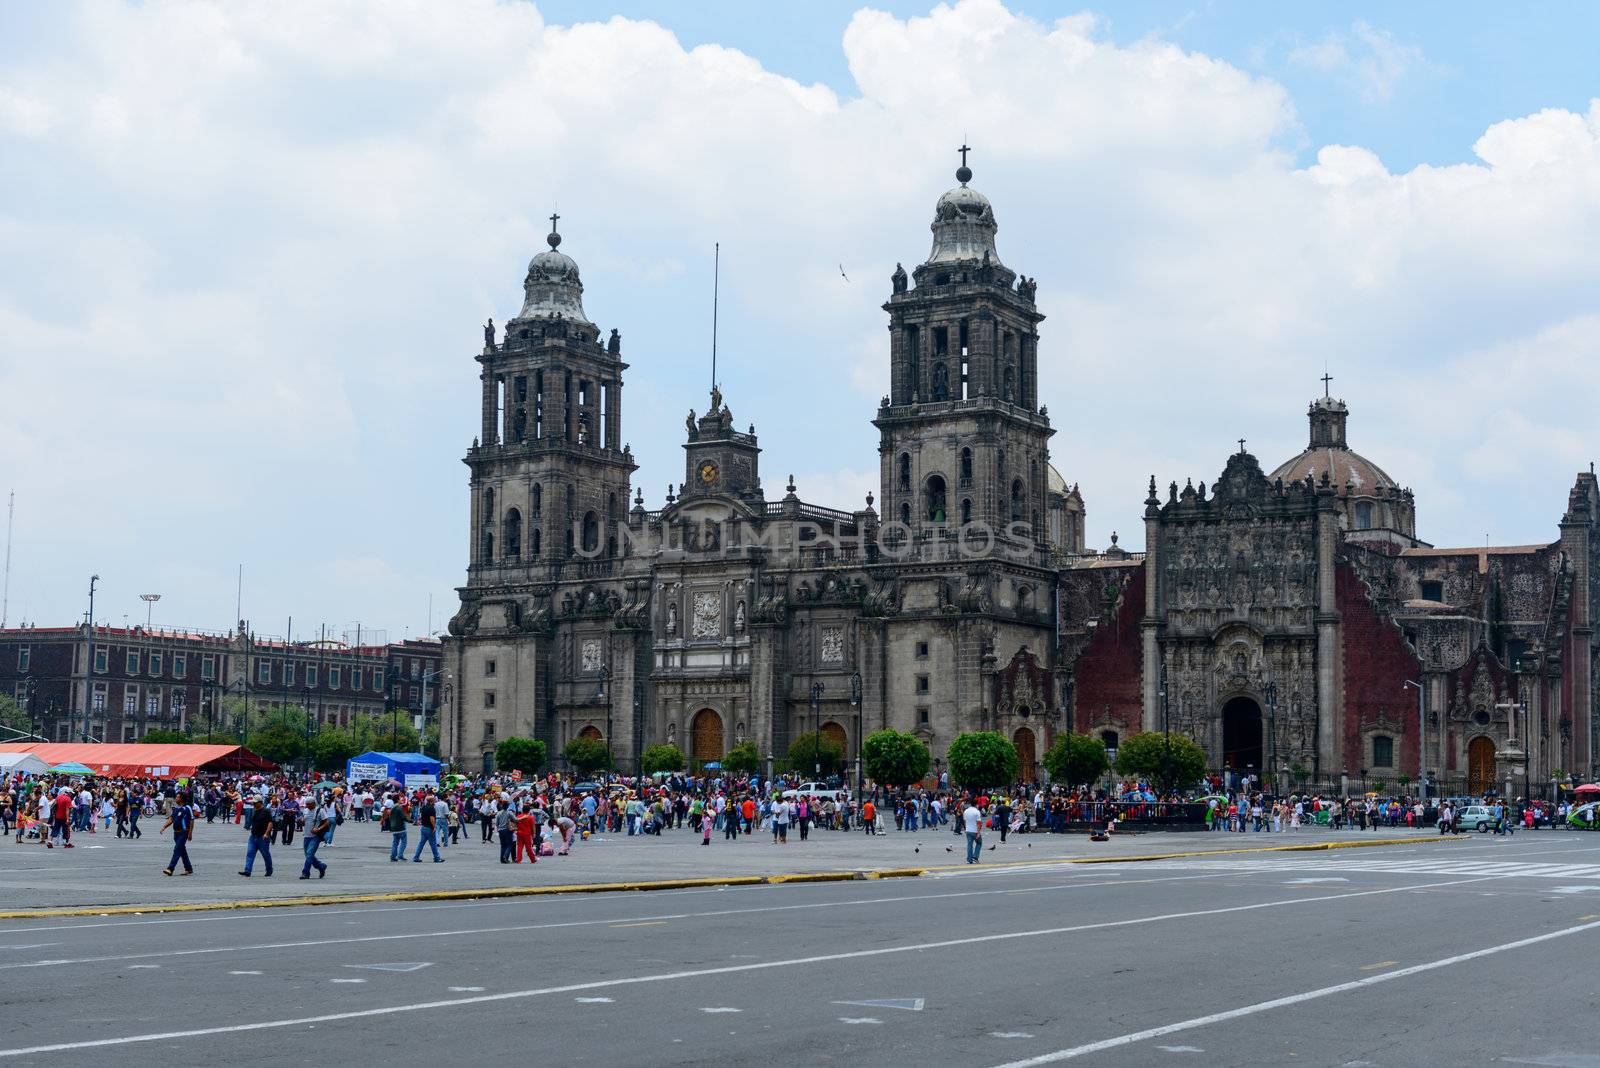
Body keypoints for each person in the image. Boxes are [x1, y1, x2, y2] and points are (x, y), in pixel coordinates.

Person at [161, 791, 195, 875]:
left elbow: (191, 820)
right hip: (176, 834)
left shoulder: (187, 808)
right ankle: (189, 868)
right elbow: (171, 819)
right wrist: (164, 827)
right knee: (182, 850)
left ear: (182, 799)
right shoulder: (176, 809)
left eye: (178, 797)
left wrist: (190, 833)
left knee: (177, 850)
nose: (176, 798)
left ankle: (170, 868)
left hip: (183, 833)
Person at [240, 801, 274, 877]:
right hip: (253, 836)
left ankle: (269, 870)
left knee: (265, 854)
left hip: (263, 837)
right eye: (253, 803)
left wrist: (266, 833)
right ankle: (247, 870)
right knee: (250, 853)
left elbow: (270, 823)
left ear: (260, 802)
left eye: (255, 803)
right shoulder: (254, 811)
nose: (254, 804)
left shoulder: (266, 811)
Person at [300, 795, 331, 879]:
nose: (307, 806)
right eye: (306, 804)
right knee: (308, 855)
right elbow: (303, 821)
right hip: (306, 835)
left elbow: (326, 822)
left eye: (308, 804)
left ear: (313, 803)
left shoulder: (320, 811)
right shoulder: (305, 810)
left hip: (315, 836)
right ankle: (321, 866)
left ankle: (305, 873)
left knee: (309, 853)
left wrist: (318, 829)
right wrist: (301, 821)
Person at [412, 793, 444, 862]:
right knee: (433, 844)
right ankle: (437, 858)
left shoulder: (424, 807)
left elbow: (421, 816)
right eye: (434, 800)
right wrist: (434, 827)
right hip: (429, 828)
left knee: (421, 843)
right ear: (431, 801)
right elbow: (432, 818)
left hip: (423, 827)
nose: (435, 801)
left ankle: (416, 857)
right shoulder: (431, 808)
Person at [384, 794, 409, 862]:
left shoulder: (393, 807)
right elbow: (403, 817)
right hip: (400, 827)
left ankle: (393, 856)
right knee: (404, 842)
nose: (401, 799)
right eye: (400, 798)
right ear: (398, 799)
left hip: (394, 828)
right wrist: (410, 820)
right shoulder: (399, 807)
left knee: (395, 842)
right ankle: (400, 855)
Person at [962, 799, 983, 864]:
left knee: (969, 845)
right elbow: (979, 823)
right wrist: (978, 832)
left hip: (968, 830)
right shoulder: (977, 812)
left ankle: (969, 859)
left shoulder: (966, 811)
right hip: (975, 831)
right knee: (979, 843)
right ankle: (975, 857)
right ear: (976, 804)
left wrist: (965, 828)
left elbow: (965, 821)